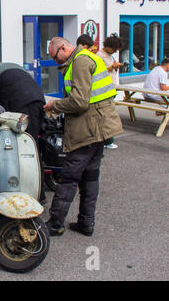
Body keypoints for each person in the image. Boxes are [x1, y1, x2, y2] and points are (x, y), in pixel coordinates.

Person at [44, 37, 123, 237]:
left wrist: (54, 105)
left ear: (63, 48)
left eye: (55, 57)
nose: (56, 62)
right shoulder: (88, 57)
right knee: (90, 178)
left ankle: (55, 223)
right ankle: (86, 223)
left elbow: (79, 102)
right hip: (100, 128)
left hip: (88, 129)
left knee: (69, 177)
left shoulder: (79, 62)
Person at [0, 61, 47, 203]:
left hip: (21, 104)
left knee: (24, 149)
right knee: (33, 146)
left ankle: (36, 194)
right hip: (38, 100)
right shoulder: (13, 66)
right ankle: (37, 191)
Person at [96, 33, 124, 150]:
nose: (114, 51)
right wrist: (112, 67)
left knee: (108, 115)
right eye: (114, 49)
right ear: (108, 46)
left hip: (111, 88)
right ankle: (107, 141)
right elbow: (99, 71)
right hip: (104, 89)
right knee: (106, 116)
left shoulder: (109, 55)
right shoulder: (99, 55)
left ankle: (107, 140)